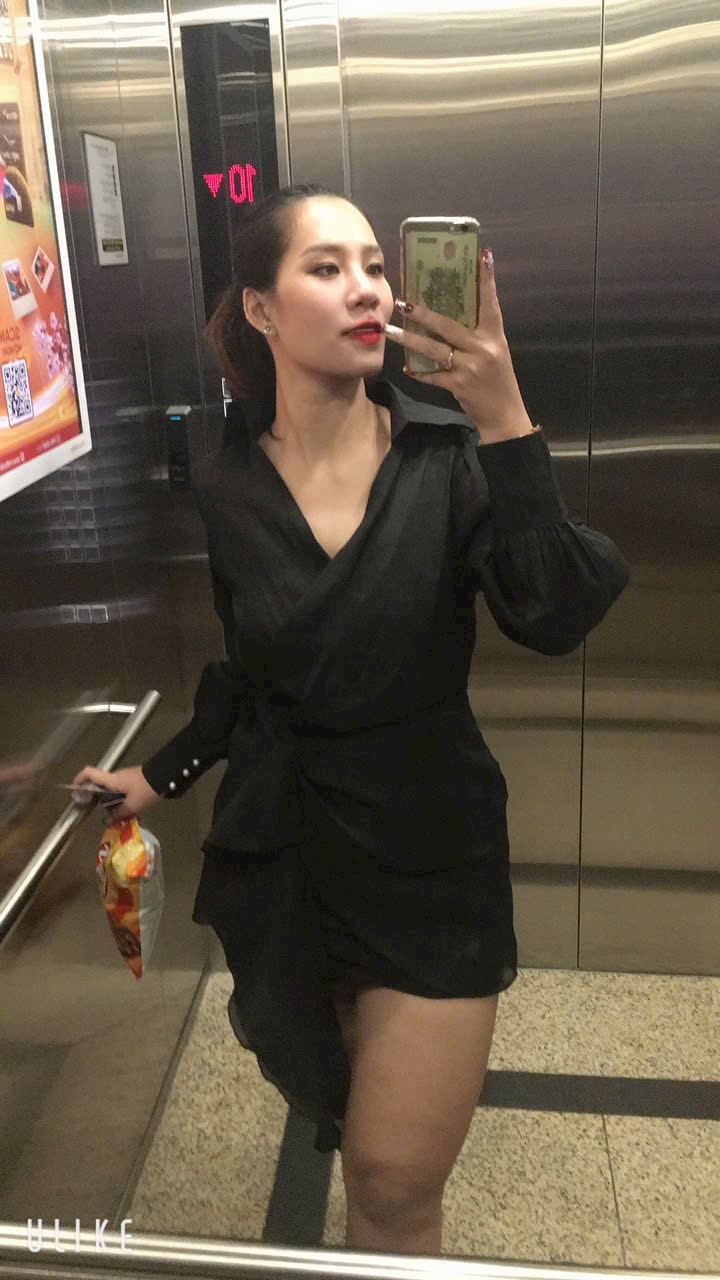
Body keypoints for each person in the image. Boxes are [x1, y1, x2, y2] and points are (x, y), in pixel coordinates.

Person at [74, 182, 630, 1255]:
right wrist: (163, 773)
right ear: (262, 309)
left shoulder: (449, 458)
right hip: (290, 851)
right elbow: (248, 670)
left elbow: (556, 614)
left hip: (430, 856)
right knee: (345, 1105)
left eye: (376, 265)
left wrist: (506, 415)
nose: (368, 288)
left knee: (390, 1178)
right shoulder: (230, 480)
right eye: (327, 268)